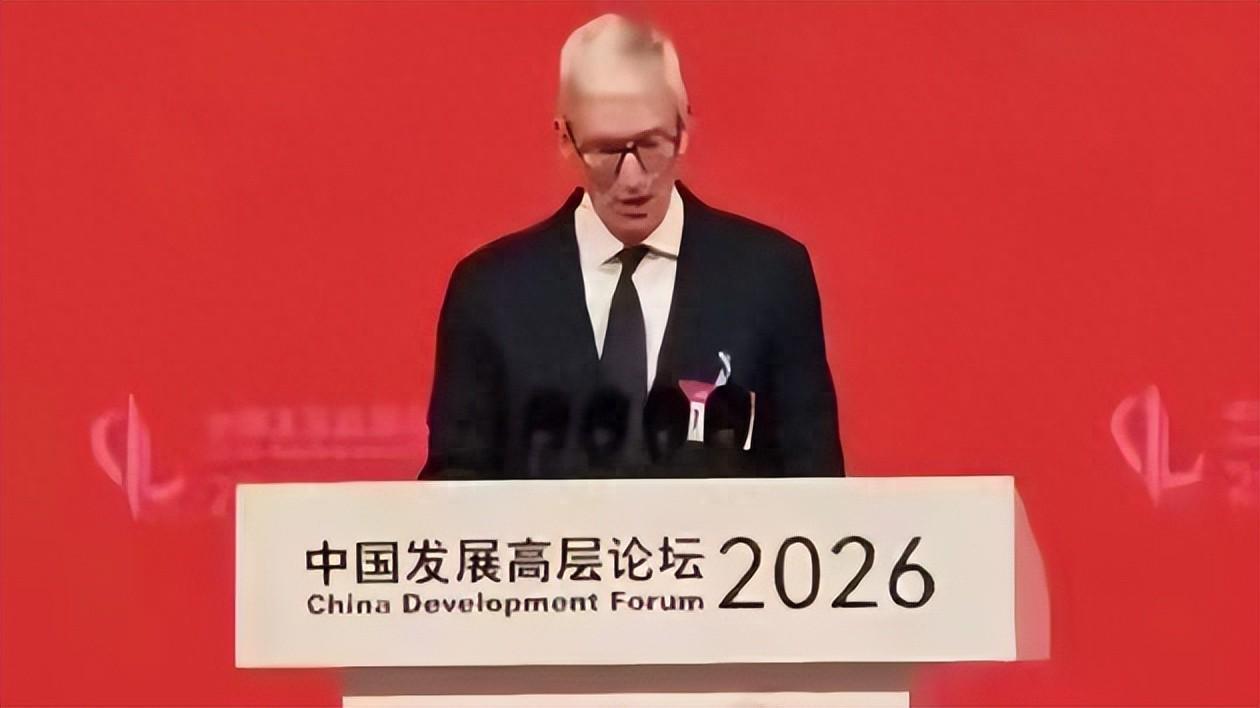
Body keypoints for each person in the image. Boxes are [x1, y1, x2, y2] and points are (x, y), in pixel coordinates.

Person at [421, 14, 843, 480]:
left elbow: (818, 485)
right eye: (606, 151)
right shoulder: (491, 294)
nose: (632, 179)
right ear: (565, 139)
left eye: (650, 145)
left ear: (684, 129)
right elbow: (454, 491)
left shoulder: (770, 278)